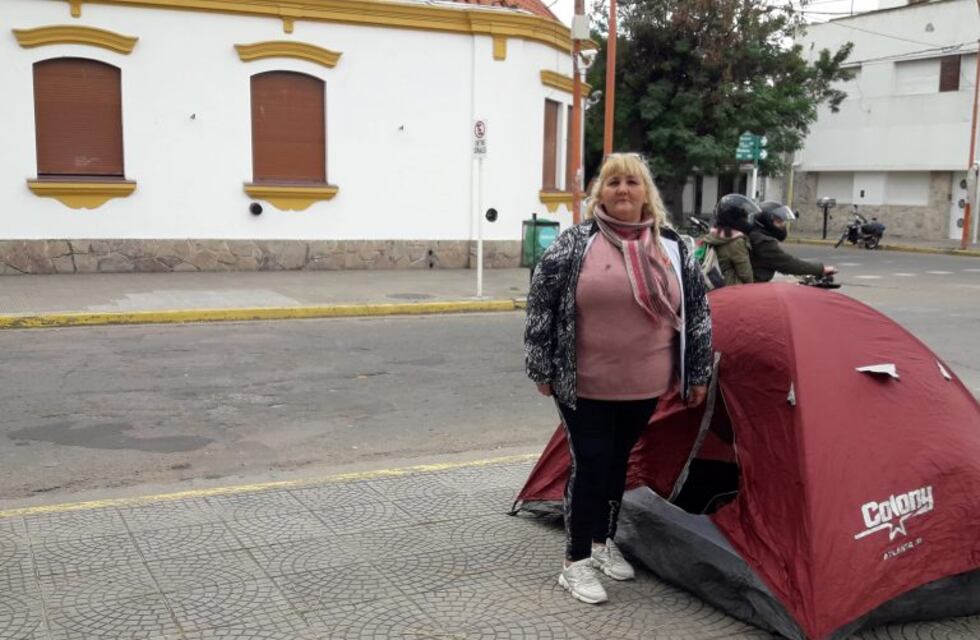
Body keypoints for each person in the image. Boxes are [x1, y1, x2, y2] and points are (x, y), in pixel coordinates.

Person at [524, 153, 713, 605]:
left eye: (632, 182)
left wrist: (699, 372)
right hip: (582, 380)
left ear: (646, 191)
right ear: (599, 194)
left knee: (617, 462)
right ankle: (575, 562)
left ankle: (602, 543)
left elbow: (698, 312)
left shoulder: (672, 245)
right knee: (590, 463)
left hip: (644, 382)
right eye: (612, 183)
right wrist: (540, 367)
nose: (622, 190)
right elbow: (540, 305)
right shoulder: (575, 242)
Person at [749, 201, 837, 282]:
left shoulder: (756, 235)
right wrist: (821, 269)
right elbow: (787, 263)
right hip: (753, 287)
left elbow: (781, 264)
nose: (783, 225)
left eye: (783, 222)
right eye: (779, 222)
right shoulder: (762, 241)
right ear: (766, 222)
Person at [701, 194, 757, 286]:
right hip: (732, 289)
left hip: (716, 284)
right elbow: (746, 275)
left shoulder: (716, 234)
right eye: (744, 218)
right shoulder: (735, 241)